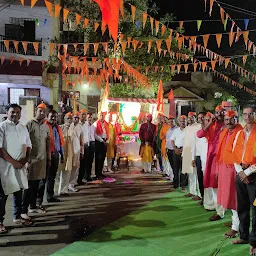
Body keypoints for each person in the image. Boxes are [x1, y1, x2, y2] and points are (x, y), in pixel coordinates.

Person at [0, 104, 33, 233]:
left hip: (20, 166)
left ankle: (17, 216)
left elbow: (29, 146)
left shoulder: (23, 128)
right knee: (3, 195)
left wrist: (23, 161)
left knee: (18, 192)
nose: (15, 114)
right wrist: (13, 162)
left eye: (18, 112)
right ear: (7, 113)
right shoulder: (2, 127)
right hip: (5, 167)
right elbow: (0, 149)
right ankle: (0, 221)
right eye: (12, 112)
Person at [231, 106, 256, 256]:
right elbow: (235, 155)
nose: (247, 117)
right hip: (240, 174)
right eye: (245, 114)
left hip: (253, 175)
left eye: (250, 114)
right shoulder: (240, 133)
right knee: (242, 207)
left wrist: (246, 172)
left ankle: (254, 241)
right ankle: (244, 236)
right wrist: (240, 172)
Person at [216, 110, 242, 238]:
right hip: (224, 169)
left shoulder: (240, 132)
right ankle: (235, 222)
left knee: (235, 198)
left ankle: (236, 227)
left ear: (236, 119)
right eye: (226, 119)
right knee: (229, 197)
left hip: (235, 169)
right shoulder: (224, 131)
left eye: (231, 119)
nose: (228, 122)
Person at [197, 106, 225, 221]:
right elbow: (199, 134)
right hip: (212, 158)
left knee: (226, 184)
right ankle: (219, 210)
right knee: (213, 183)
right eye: (217, 112)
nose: (219, 114)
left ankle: (225, 209)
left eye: (221, 112)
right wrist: (209, 123)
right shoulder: (211, 125)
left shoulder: (227, 125)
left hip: (225, 159)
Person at [23, 103, 50, 217]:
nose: (42, 113)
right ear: (35, 111)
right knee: (29, 186)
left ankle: (33, 207)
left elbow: (47, 143)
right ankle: (23, 210)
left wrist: (48, 158)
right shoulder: (29, 124)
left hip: (42, 160)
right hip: (31, 160)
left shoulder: (45, 126)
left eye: (44, 111)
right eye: (40, 111)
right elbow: (24, 143)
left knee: (38, 185)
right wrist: (26, 160)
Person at [38, 110, 64, 204]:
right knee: (43, 179)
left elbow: (60, 143)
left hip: (56, 155)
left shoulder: (57, 128)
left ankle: (50, 196)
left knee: (52, 177)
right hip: (45, 155)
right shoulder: (44, 127)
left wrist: (62, 155)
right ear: (47, 117)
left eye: (55, 117)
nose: (54, 118)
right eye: (51, 116)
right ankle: (38, 202)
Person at [182, 112, 201, 198]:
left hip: (194, 152)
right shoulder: (187, 127)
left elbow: (195, 142)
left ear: (195, 117)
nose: (190, 119)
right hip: (186, 152)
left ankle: (199, 193)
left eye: (192, 117)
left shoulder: (198, 126)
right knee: (190, 173)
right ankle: (192, 191)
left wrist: (193, 156)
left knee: (196, 174)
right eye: (189, 117)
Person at [57, 112, 76, 194]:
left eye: (71, 118)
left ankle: (63, 190)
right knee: (58, 173)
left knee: (67, 172)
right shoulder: (60, 128)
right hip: (61, 153)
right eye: (68, 118)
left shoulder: (73, 129)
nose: (69, 120)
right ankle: (55, 191)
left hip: (69, 153)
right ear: (64, 119)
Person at [191, 112, 207, 204]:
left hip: (207, 157)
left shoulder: (210, 128)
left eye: (202, 117)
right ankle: (203, 197)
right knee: (200, 178)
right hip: (198, 156)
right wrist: (193, 157)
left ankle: (210, 200)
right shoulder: (197, 130)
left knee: (207, 179)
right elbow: (194, 144)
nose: (200, 119)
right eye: (199, 117)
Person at [171, 115, 187, 191]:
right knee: (176, 168)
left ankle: (183, 185)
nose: (182, 122)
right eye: (181, 121)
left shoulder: (188, 130)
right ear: (178, 122)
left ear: (186, 121)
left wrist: (183, 149)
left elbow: (190, 141)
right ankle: (176, 184)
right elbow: (172, 140)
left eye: (184, 121)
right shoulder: (176, 130)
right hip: (176, 150)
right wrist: (174, 148)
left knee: (184, 169)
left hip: (186, 151)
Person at [78, 112, 95, 183]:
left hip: (88, 145)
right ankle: (81, 178)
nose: (84, 118)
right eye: (83, 116)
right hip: (82, 145)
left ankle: (87, 176)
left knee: (89, 161)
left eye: (85, 116)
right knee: (83, 163)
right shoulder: (79, 125)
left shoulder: (88, 125)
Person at [94, 112, 109, 179]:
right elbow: (95, 135)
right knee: (98, 158)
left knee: (103, 157)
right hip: (99, 142)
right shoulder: (95, 124)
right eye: (101, 115)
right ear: (98, 116)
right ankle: (97, 174)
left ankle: (100, 172)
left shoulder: (106, 124)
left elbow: (108, 133)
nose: (102, 117)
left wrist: (107, 141)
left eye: (103, 116)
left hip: (105, 141)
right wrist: (102, 141)